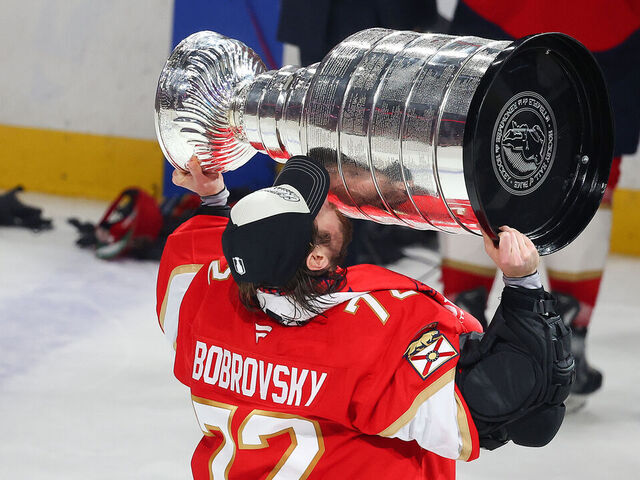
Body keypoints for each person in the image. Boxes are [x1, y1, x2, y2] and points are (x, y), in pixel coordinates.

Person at [156, 154, 573, 479]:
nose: (328, 198)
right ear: (317, 256)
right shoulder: (376, 332)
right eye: (315, 206)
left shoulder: (201, 298)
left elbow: (211, 248)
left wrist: (213, 199)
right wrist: (524, 284)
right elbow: (524, 413)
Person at [440, 0, 640, 409]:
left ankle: (462, 328)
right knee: (591, 167)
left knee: (474, 156)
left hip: (499, 16)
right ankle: (568, 337)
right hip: (607, 23)